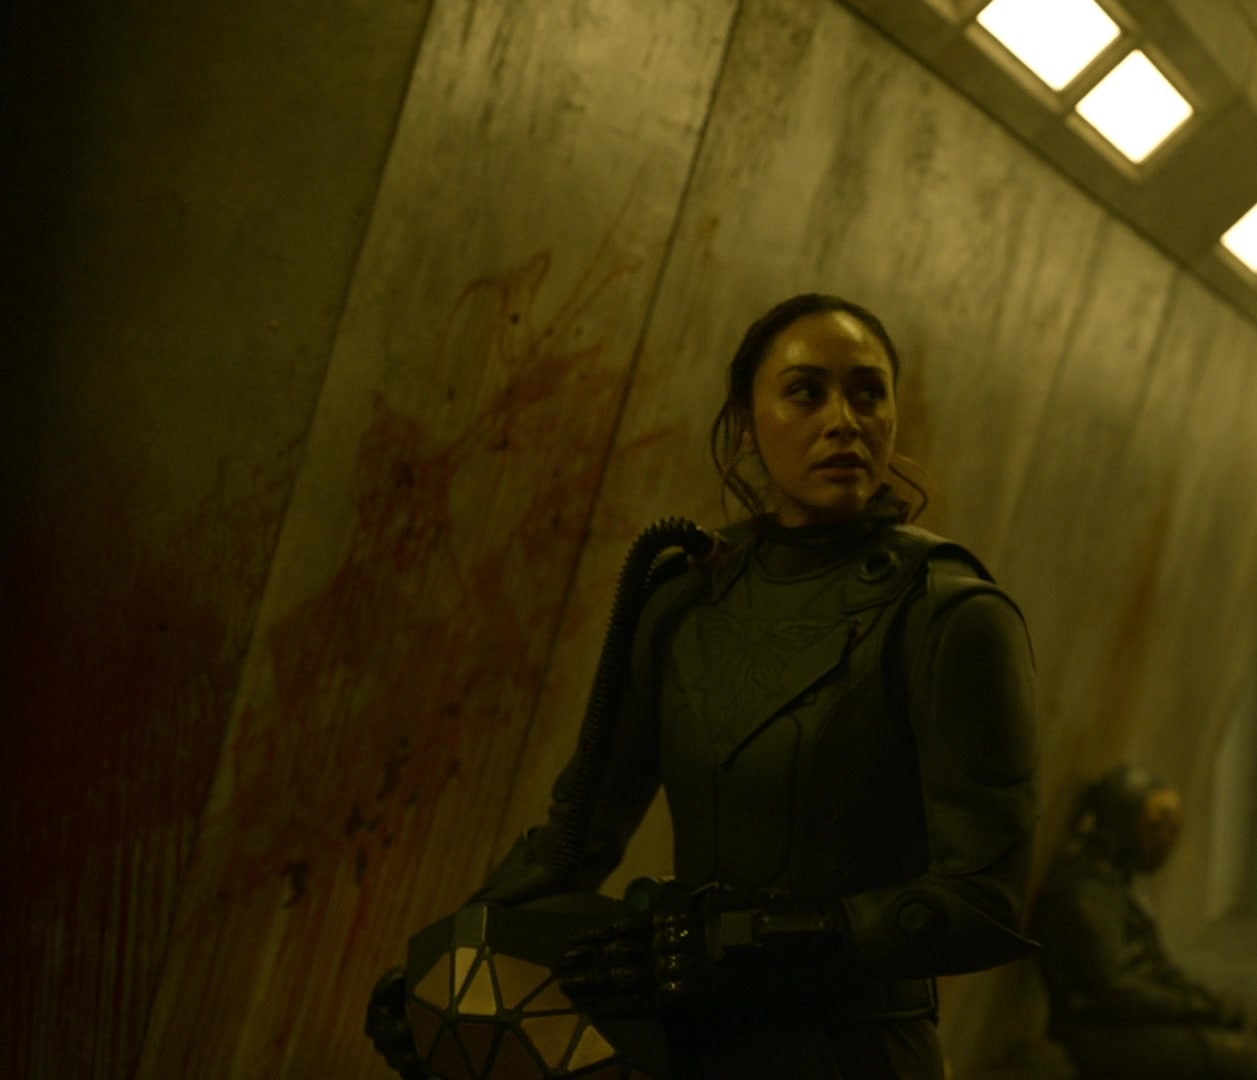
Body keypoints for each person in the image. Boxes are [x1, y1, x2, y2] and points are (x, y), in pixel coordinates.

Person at [367, 293, 1040, 1079]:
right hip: (693, 1043)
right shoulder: (685, 594)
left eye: (868, 393)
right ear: (746, 422)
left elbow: (985, 901)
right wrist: (441, 965)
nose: (844, 421)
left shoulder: (949, 611)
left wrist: (741, 942)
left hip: (858, 1050)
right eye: (806, 392)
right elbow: (574, 836)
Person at [1032, 765, 1257, 1080]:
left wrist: (1217, 1007)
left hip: (1134, 1024)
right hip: (1105, 1036)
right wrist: (1198, 1008)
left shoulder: (1115, 884)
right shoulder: (1085, 892)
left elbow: (1159, 969)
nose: (1164, 840)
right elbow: (1115, 992)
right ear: (1121, 824)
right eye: (1154, 828)